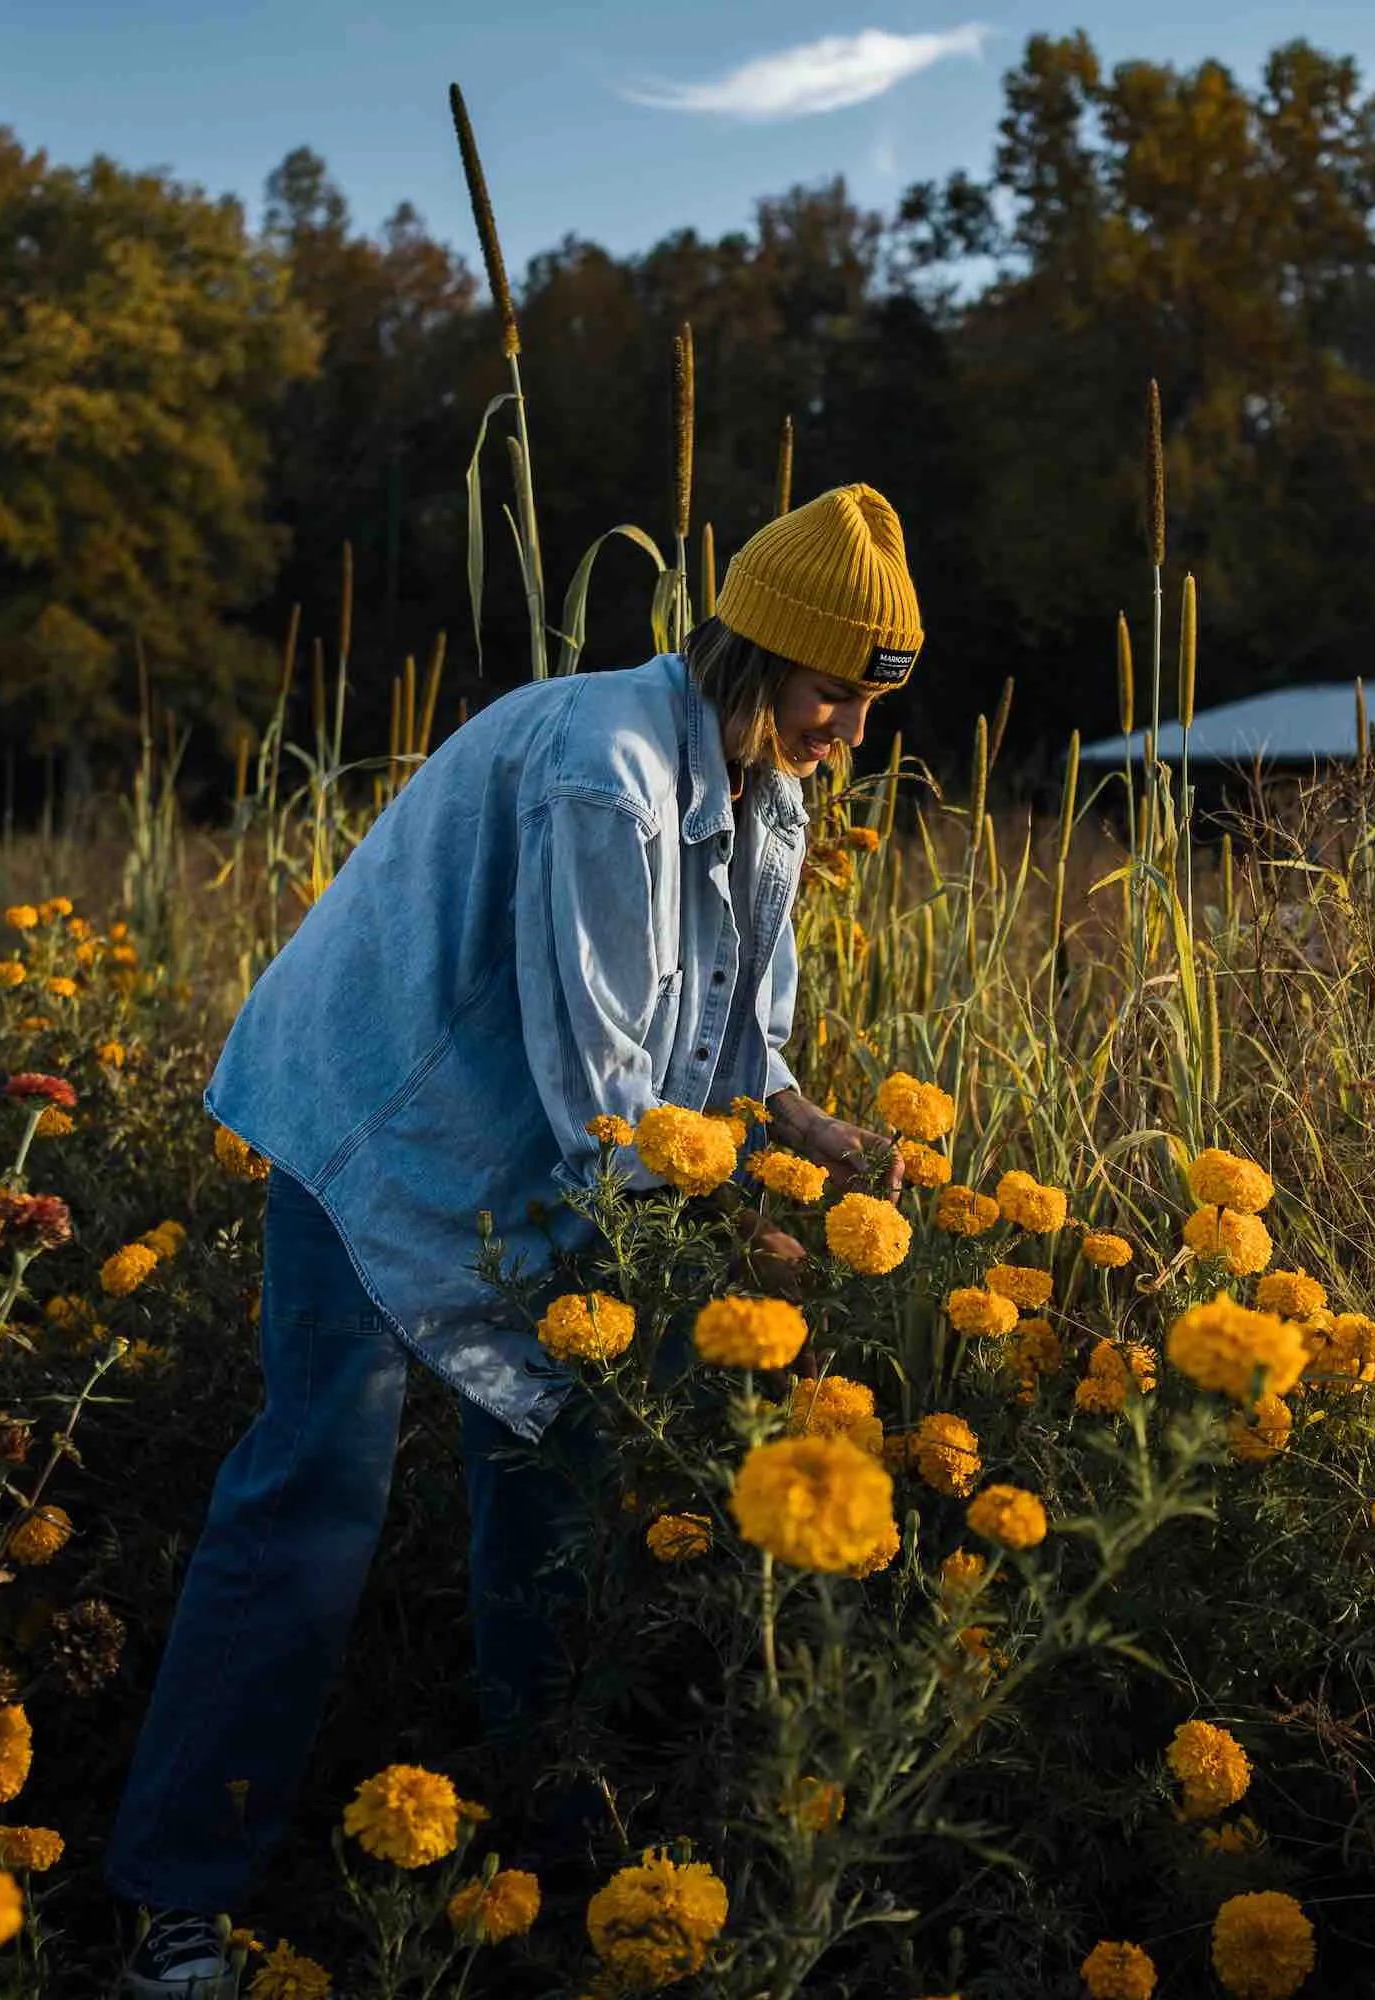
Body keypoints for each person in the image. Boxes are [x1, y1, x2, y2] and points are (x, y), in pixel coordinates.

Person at [109, 484, 922, 1995]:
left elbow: (741, 1037)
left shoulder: (771, 788)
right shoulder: (607, 769)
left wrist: (815, 1136)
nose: (848, 734)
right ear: (759, 652)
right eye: (833, 697)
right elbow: (606, 1087)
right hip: (378, 1132)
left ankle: (549, 1876)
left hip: (536, 1165)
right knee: (312, 1502)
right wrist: (736, 1232)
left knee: (556, 1500)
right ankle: (179, 1897)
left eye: (870, 706)